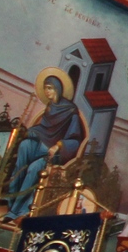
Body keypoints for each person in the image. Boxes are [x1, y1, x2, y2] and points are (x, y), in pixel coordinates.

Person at [5, 71, 86, 218]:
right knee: (24, 146)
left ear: (57, 89)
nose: (46, 91)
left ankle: (18, 210)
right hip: (40, 145)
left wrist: (58, 146)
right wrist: (26, 133)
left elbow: (75, 139)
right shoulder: (50, 107)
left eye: (49, 88)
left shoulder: (70, 110)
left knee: (34, 168)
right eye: (45, 88)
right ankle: (12, 198)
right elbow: (42, 129)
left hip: (54, 154)